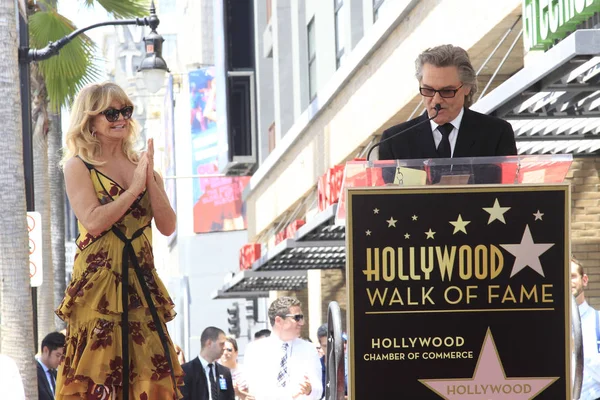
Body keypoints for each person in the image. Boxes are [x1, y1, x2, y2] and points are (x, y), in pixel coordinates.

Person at [57, 82, 183, 399]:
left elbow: (168, 226)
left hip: (141, 280)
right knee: (99, 374)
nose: (121, 118)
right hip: (99, 285)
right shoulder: (78, 166)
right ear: (90, 122)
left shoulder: (144, 167)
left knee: (148, 371)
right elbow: (94, 221)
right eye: (111, 112)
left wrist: (149, 178)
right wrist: (133, 188)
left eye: (126, 110)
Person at [378, 44, 517, 161]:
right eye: (428, 90)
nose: (436, 100)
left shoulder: (497, 133)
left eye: (447, 91)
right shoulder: (394, 140)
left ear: (467, 87)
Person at [244, 296, 322, 399]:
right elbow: (256, 392)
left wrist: (309, 390)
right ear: (279, 321)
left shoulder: (309, 349)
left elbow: (318, 390)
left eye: (302, 317)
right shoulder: (255, 350)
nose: (302, 323)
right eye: (297, 318)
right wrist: (290, 396)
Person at [572, 257, 600, 400]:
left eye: (572, 276)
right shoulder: (548, 326)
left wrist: (576, 347)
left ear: (584, 280)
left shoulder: (598, 320)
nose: (568, 281)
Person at [181, 327, 235, 400]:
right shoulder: (186, 371)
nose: (224, 348)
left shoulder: (224, 372)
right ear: (209, 343)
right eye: (221, 344)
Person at [37, 331, 65, 400]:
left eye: (62, 356)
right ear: (46, 350)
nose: (60, 360)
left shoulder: (56, 374)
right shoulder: (34, 373)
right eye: (57, 355)